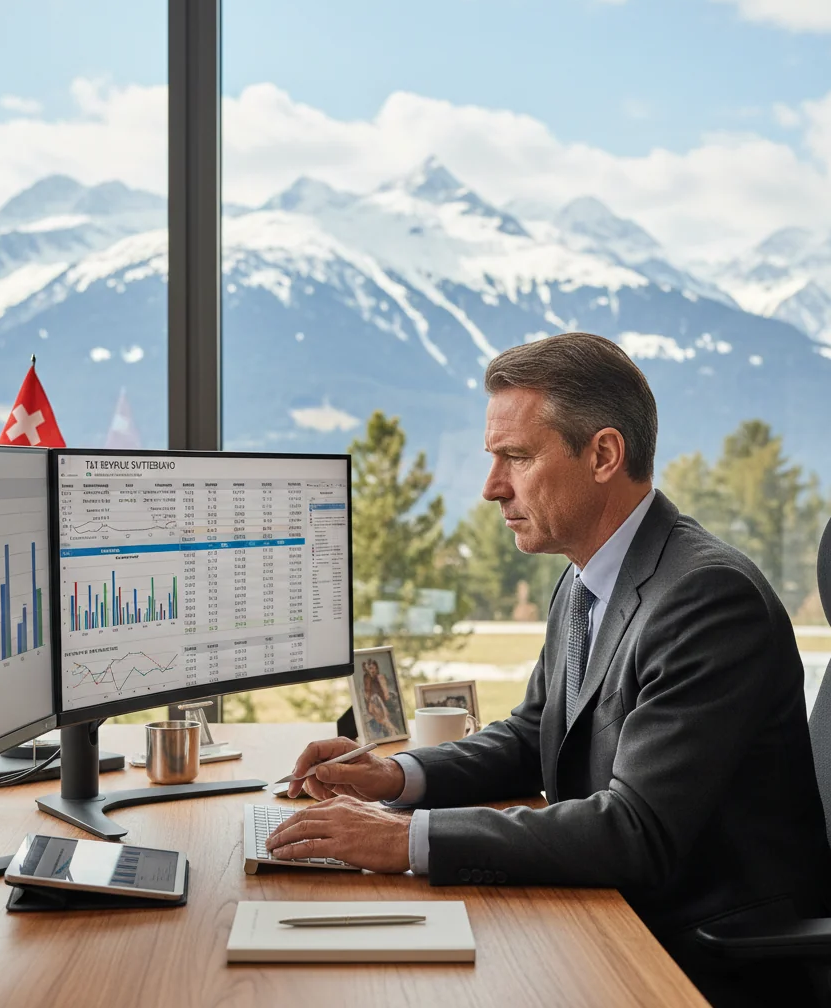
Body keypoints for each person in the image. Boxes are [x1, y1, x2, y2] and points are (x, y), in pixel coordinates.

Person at [267, 332, 831, 1006]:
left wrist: (402, 838)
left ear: (602, 455)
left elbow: (634, 832)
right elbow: (534, 733)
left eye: (516, 457)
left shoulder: (707, 598)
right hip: (608, 918)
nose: (490, 487)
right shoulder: (587, 578)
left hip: (696, 959)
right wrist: (397, 776)